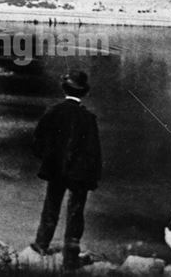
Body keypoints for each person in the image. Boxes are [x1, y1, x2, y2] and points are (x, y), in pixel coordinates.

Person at [31, 70, 102, 270]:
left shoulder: (53, 112)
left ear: (64, 89)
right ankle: (70, 258)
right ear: (84, 93)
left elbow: (37, 142)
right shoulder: (88, 118)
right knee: (76, 213)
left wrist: (47, 159)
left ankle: (41, 245)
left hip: (56, 169)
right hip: (79, 173)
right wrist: (92, 177)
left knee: (51, 207)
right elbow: (94, 152)